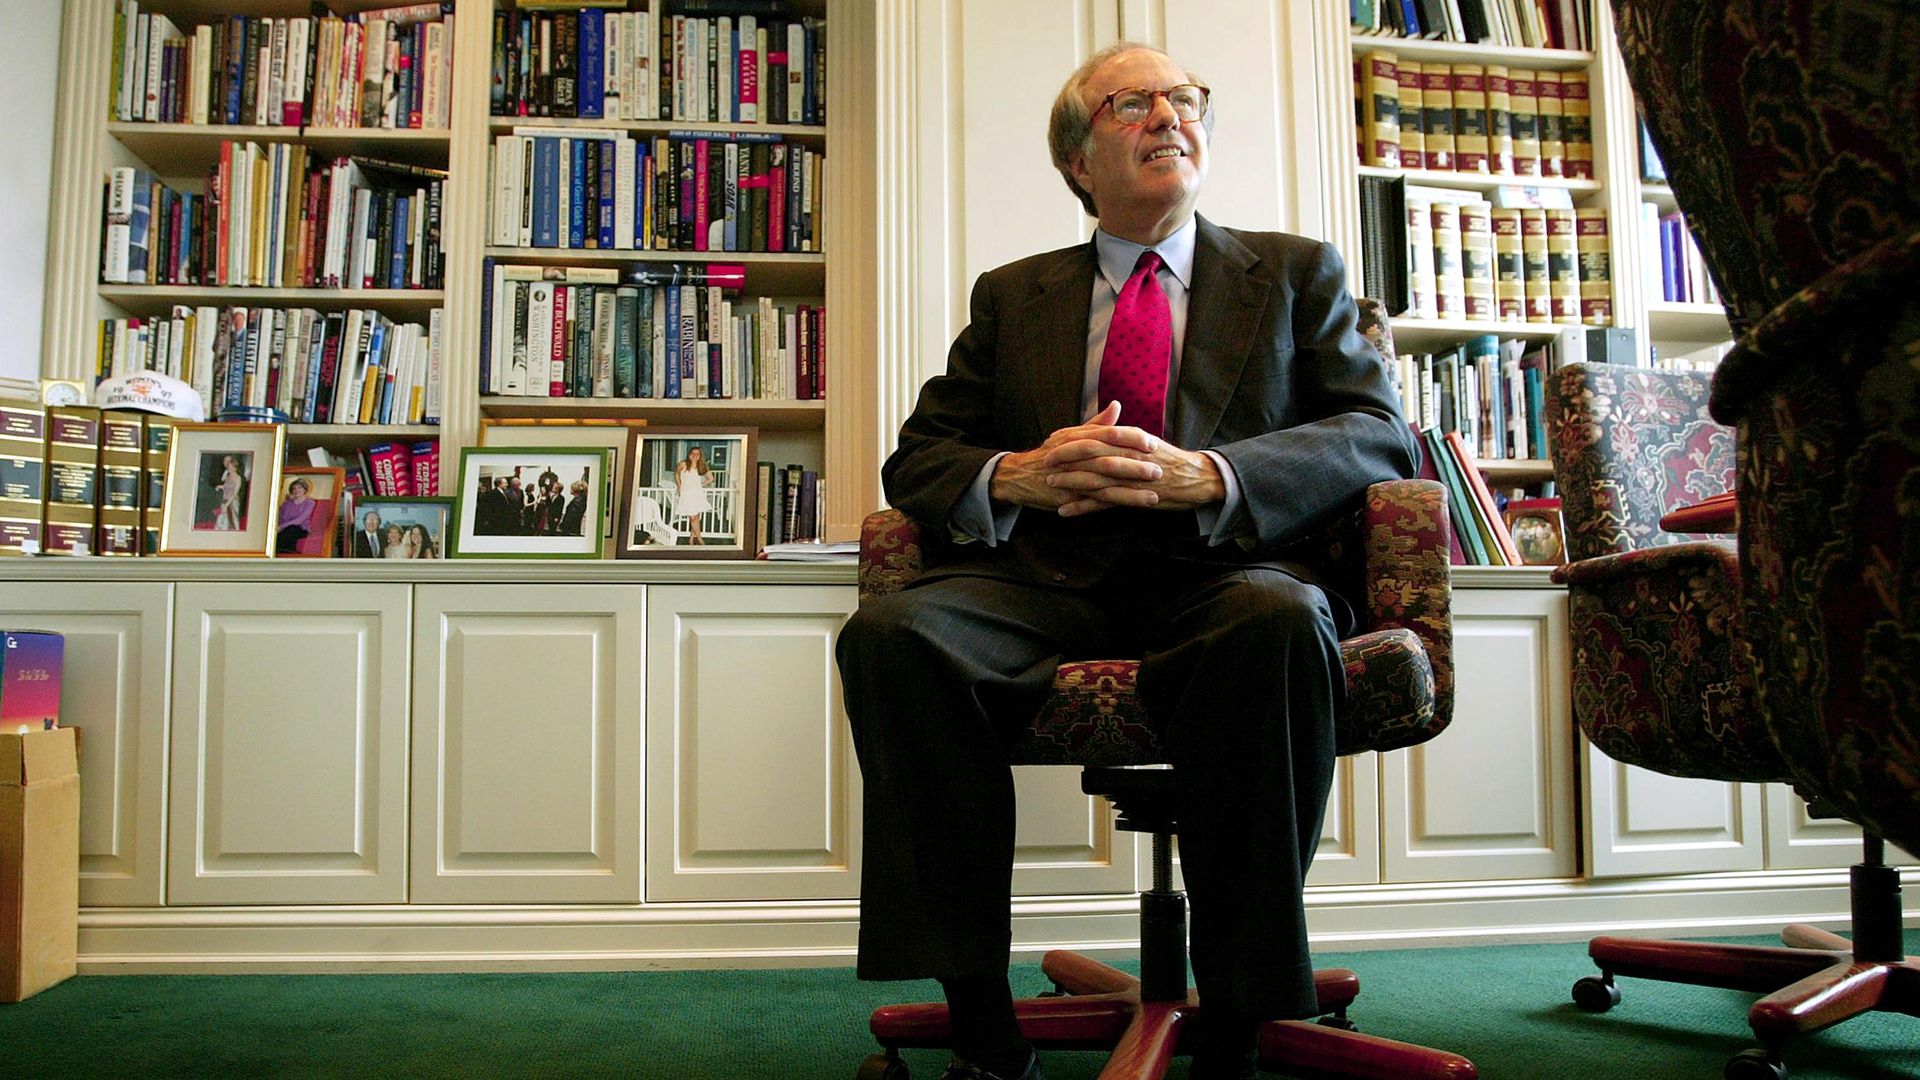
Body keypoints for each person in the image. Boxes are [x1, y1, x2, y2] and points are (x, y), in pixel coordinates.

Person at [834, 44, 1418, 1080]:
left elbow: (1379, 432)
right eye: (1131, 102)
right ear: (1076, 161)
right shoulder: (1014, 297)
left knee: (1278, 623)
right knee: (892, 635)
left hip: (1223, 573)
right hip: (1046, 581)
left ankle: (1236, 1018)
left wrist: (1216, 477)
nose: (1168, 115)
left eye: (1184, 98)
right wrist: (1015, 473)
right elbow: (916, 459)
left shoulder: (1293, 272)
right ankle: (976, 1009)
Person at [673, 446, 712, 545]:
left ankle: (691, 539)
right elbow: (677, 474)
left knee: (695, 517)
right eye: (693, 453)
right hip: (686, 494)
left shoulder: (701, 465)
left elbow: (711, 478)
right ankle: (700, 539)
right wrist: (679, 485)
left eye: (697, 454)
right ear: (689, 454)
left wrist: (700, 485)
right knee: (693, 517)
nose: (695, 455)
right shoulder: (683, 464)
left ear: (700, 456)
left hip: (697, 493)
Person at [276, 478, 316, 554]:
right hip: (285, 528)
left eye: (300, 488)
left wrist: (281, 527)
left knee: (292, 529)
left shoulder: (310, 502)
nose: (296, 490)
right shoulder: (286, 503)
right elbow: (281, 518)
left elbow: (299, 520)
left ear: (305, 489)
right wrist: (277, 527)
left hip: (301, 529)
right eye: (294, 489)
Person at [212, 454, 245, 530]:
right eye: (228, 466)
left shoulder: (238, 478)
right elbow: (226, 486)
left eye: (230, 467)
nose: (228, 468)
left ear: (234, 468)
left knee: (233, 519)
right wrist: (220, 486)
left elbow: (234, 493)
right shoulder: (228, 476)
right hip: (225, 500)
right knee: (220, 517)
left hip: (233, 502)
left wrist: (227, 505)